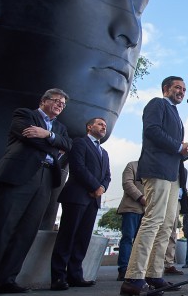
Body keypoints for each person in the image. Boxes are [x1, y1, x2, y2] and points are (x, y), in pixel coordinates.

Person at [0, 0, 154, 230]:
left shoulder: (67, 138)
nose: (131, 32)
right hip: (15, 182)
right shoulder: (25, 117)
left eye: (139, 5)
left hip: (49, 188)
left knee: (24, 237)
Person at [0, 88, 72, 295]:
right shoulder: (25, 114)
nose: (59, 106)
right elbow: (29, 138)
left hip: (45, 181)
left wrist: (47, 134)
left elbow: (68, 145)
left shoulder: (60, 127)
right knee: (2, 227)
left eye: (63, 104)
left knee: (26, 232)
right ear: (43, 100)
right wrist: (54, 144)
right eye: (56, 101)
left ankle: (7, 278)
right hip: (19, 176)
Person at [120, 76, 188, 296]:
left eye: (184, 88)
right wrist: (178, 146)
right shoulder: (158, 103)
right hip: (157, 170)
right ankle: (133, 277)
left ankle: (154, 273)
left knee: (167, 224)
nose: (181, 91)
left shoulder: (176, 114)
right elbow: (152, 131)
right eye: (177, 87)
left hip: (173, 175)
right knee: (153, 220)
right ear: (165, 89)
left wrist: (185, 153)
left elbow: (175, 149)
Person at [50, 117, 111, 291]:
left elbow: (108, 175)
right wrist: (94, 186)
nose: (103, 127)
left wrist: (101, 188)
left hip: (93, 201)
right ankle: (58, 277)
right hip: (76, 197)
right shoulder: (79, 143)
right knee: (67, 237)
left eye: (105, 126)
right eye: (100, 124)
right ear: (89, 126)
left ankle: (75, 275)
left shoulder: (104, 152)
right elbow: (78, 167)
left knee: (82, 239)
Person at [116, 161, 145, 281]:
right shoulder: (132, 165)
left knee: (142, 242)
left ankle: (137, 270)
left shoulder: (155, 169)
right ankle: (124, 269)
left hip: (147, 211)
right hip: (131, 208)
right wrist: (140, 197)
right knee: (128, 238)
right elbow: (127, 183)